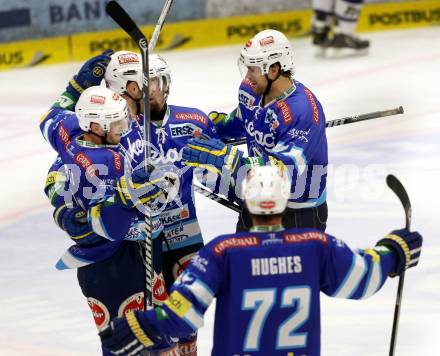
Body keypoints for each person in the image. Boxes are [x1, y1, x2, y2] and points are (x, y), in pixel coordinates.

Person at [98, 164, 423, 356]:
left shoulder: (223, 251)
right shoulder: (315, 246)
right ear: (284, 202)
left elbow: (182, 315)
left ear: (246, 204)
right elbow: (362, 277)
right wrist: (394, 252)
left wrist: (140, 325)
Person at [43, 50, 219, 356]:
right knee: (129, 339)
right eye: (145, 83)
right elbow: (61, 179)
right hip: (123, 251)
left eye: (157, 82)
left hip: (161, 234)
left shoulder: (101, 129)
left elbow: (52, 122)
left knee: (173, 325)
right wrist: (66, 205)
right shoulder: (112, 144)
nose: (154, 89)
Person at [40, 83, 170, 355]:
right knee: (131, 343)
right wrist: (136, 194)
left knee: (138, 339)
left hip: (102, 264)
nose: (124, 128)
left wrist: (77, 84)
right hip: (116, 261)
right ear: (96, 127)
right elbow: (111, 224)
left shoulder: (68, 135)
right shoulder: (109, 163)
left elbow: (50, 121)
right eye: (116, 123)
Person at [184, 29, 328, 233]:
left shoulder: (302, 112)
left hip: (298, 210)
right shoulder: (251, 89)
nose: (248, 76)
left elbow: (284, 170)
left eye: (253, 69)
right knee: (244, 264)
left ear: (274, 69)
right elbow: (246, 117)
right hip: (255, 200)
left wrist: (229, 159)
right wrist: (216, 126)